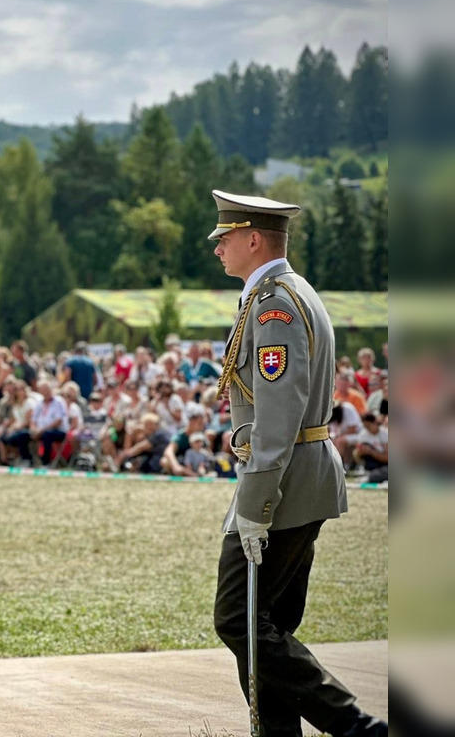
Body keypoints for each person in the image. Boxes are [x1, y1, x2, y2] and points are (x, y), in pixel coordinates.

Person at [208, 189, 386, 736]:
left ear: (254, 239)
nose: (217, 248)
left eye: (226, 237)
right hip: (298, 474)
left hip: (283, 481)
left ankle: (358, 727)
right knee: (270, 624)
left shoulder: (275, 302)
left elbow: (281, 412)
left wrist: (256, 504)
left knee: (237, 620)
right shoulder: (281, 292)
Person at [352, 412, 388, 484]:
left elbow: (388, 458)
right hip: (371, 465)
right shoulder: (363, 434)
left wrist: (371, 452)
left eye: (369, 426)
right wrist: (360, 452)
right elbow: (356, 455)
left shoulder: (385, 434)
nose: (367, 429)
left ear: (374, 423)